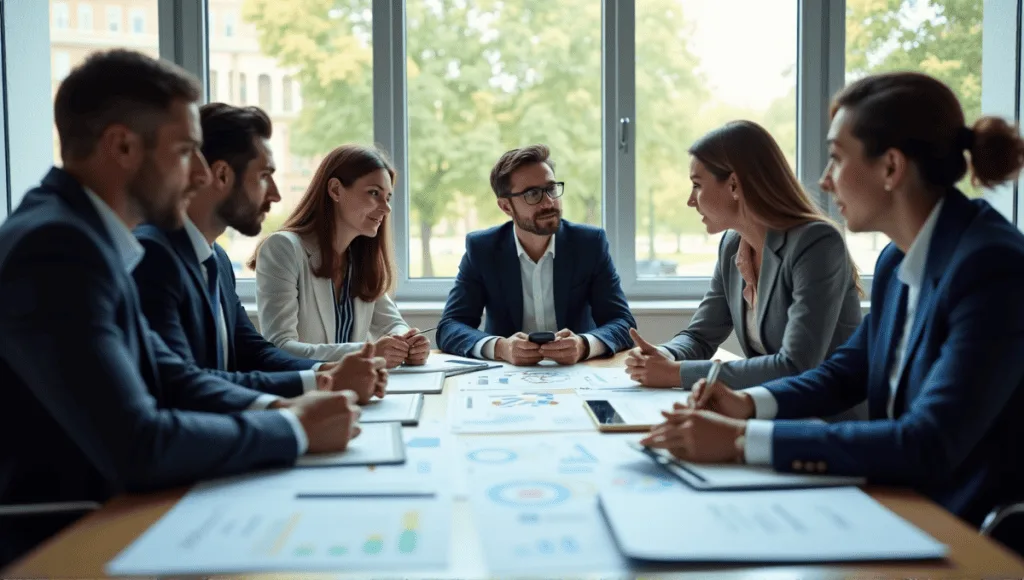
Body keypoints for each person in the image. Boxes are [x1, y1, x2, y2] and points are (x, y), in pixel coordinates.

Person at [0, 50, 370, 565]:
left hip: (126, 514)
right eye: (184, 152)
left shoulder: (89, 237)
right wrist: (294, 430)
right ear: (122, 146)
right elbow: (138, 444)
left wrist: (285, 407)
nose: (200, 174)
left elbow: (172, 375)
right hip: (72, 538)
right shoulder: (58, 247)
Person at [640, 72, 1024, 528]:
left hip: (967, 527)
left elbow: (930, 442)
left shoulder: (993, 266)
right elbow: (844, 374)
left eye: (837, 159)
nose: (824, 180)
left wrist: (743, 439)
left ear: (891, 167)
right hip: (896, 499)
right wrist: (745, 403)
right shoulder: (895, 262)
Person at [133, 103, 384, 400]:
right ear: (222, 175)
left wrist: (325, 372)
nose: (276, 194)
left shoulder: (217, 259)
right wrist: (321, 384)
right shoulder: (152, 256)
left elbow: (252, 350)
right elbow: (184, 384)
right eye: (264, 175)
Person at [627, 121, 862, 390]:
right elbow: (700, 336)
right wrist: (666, 355)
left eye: (697, 185)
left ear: (734, 185)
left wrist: (676, 374)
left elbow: (796, 365)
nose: (690, 201)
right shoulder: (732, 244)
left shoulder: (816, 242)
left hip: (823, 419)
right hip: (766, 408)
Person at [436, 144, 636, 365]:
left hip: (577, 372)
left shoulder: (589, 244)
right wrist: (501, 348)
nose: (549, 202)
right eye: (533, 194)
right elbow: (450, 327)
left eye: (551, 189)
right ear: (506, 206)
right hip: (505, 376)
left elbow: (623, 323)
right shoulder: (483, 248)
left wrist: (583, 345)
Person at [251, 145, 428, 369]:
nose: (386, 208)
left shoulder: (359, 258)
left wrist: (408, 343)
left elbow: (392, 325)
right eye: (374, 193)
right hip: (306, 394)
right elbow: (280, 347)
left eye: (388, 197)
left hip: (355, 390)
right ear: (335, 190)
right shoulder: (283, 248)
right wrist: (369, 352)